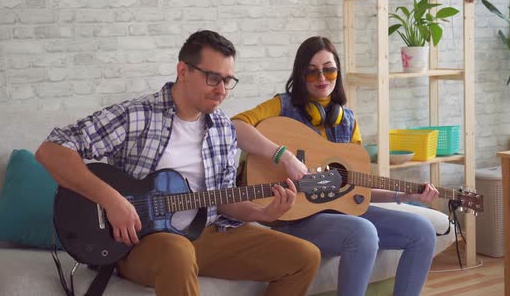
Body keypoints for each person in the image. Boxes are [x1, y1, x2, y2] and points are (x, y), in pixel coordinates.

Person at [35, 30, 320, 296]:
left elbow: (222, 200)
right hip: (140, 242)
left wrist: (264, 214)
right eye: (213, 78)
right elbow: (51, 150)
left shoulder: (222, 127)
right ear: (183, 71)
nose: (222, 89)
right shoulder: (138, 115)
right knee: (177, 251)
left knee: (305, 257)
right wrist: (111, 200)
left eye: (228, 80)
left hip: (206, 234)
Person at [232, 36, 440, 296]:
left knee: (422, 231)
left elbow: (356, 192)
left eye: (329, 69)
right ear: (301, 74)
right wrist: (284, 156)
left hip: (340, 214)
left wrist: (404, 195)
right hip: (294, 217)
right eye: (312, 72)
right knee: (363, 232)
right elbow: (234, 128)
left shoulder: (348, 121)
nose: (322, 78)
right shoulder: (281, 106)